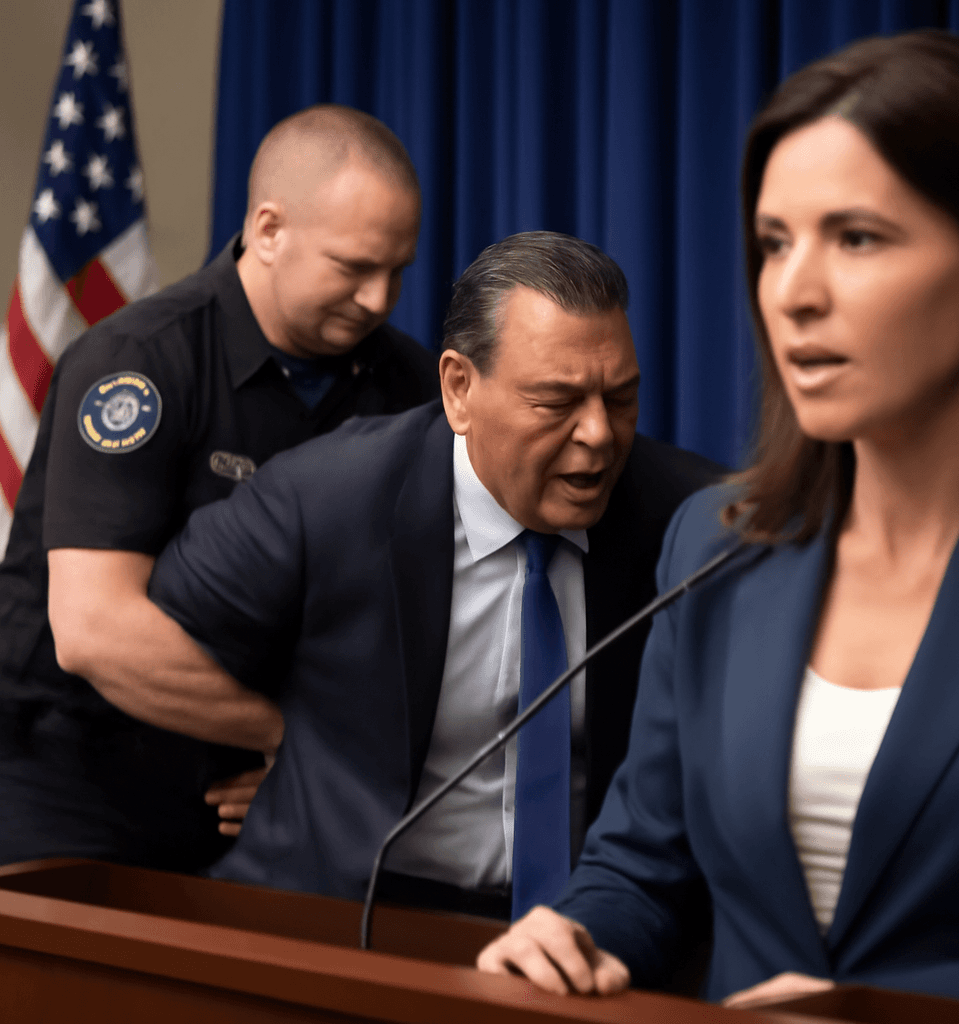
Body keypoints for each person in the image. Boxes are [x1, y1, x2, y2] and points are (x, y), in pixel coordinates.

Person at [477, 30, 959, 1009]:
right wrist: (576, 931)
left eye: (856, 237)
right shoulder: (714, 543)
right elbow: (642, 863)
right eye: (774, 243)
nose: (793, 293)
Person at [147, 231, 721, 915]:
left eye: (620, 398)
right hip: (351, 915)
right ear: (459, 389)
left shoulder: (688, 519)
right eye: (556, 402)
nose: (599, 434)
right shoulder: (330, 497)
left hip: (580, 929)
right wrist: (285, 757)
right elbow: (159, 627)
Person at [0, 104, 439, 873]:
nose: (379, 298)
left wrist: (301, 765)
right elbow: (93, 629)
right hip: (66, 767)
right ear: (268, 232)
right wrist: (290, 740)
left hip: (243, 779)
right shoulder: (139, 361)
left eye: (398, 270)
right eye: (353, 267)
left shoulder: (409, 388)